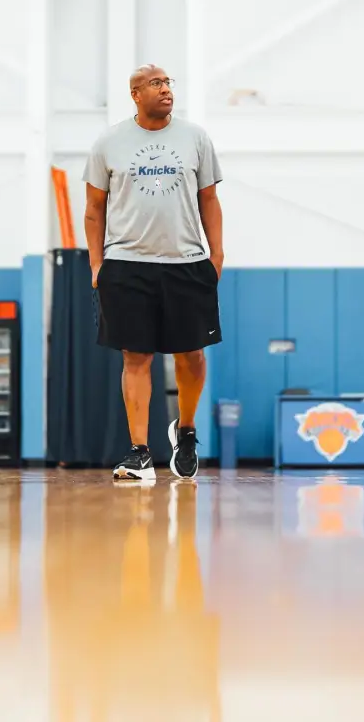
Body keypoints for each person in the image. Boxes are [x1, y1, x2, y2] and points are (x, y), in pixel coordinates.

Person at [83, 65, 224, 482]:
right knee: (136, 356)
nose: (165, 90)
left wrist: (216, 255)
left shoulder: (195, 138)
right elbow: (94, 209)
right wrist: (96, 263)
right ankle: (139, 453)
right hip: (127, 263)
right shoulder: (109, 142)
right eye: (156, 84)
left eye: (168, 83)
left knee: (192, 355)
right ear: (135, 94)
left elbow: (210, 199)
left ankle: (186, 431)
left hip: (187, 263)